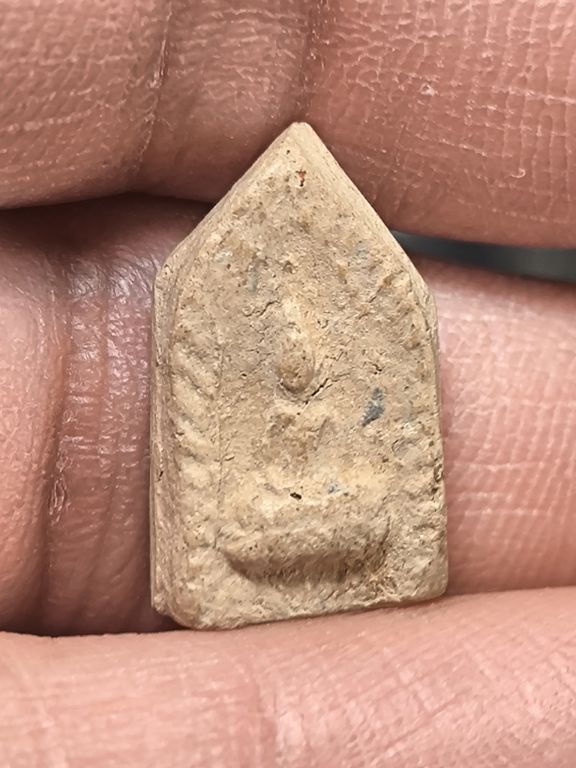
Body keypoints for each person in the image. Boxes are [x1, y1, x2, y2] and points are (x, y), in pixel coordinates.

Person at [1, 2, 575, 765]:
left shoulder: (331, 402)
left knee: (358, 508)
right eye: (289, 348)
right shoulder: (265, 400)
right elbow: (249, 500)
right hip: (267, 518)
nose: (298, 365)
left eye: (307, 349)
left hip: (336, 510)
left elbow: (356, 488)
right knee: (252, 515)